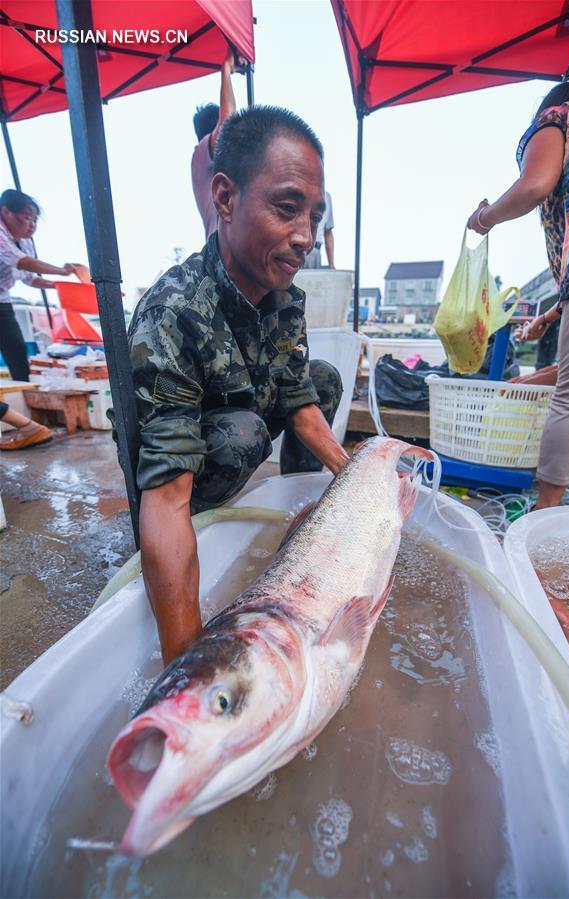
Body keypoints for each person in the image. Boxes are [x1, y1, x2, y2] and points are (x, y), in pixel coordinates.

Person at [128, 105, 348, 665]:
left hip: (241, 416)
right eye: (287, 208)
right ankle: (212, 524)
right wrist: (188, 671)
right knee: (244, 432)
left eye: (315, 218)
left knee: (322, 379)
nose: (306, 238)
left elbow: (299, 399)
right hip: (184, 481)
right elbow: (166, 494)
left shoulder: (283, 297)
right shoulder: (173, 311)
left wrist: (356, 483)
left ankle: (303, 517)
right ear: (224, 198)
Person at [467, 74, 569, 510]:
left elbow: (534, 185)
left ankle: (543, 517)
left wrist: (484, 218)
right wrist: (553, 314)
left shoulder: (562, 117)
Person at [0, 189, 87, 381]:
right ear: (6, 212)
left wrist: (61, 287)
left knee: (16, 348)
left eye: (35, 220)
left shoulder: (25, 242)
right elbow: (21, 262)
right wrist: (62, 271)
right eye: (27, 218)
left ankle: (24, 392)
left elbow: (29, 278)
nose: (32, 225)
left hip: (2, 299)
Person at [191, 49, 247, 241]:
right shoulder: (201, 153)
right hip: (221, 257)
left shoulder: (217, 165)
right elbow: (227, 123)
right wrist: (225, 69)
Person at [303, 190, 335, 268]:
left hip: (315, 251)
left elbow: (328, 232)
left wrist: (331, 264)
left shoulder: (326, 197)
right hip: (297, 247)